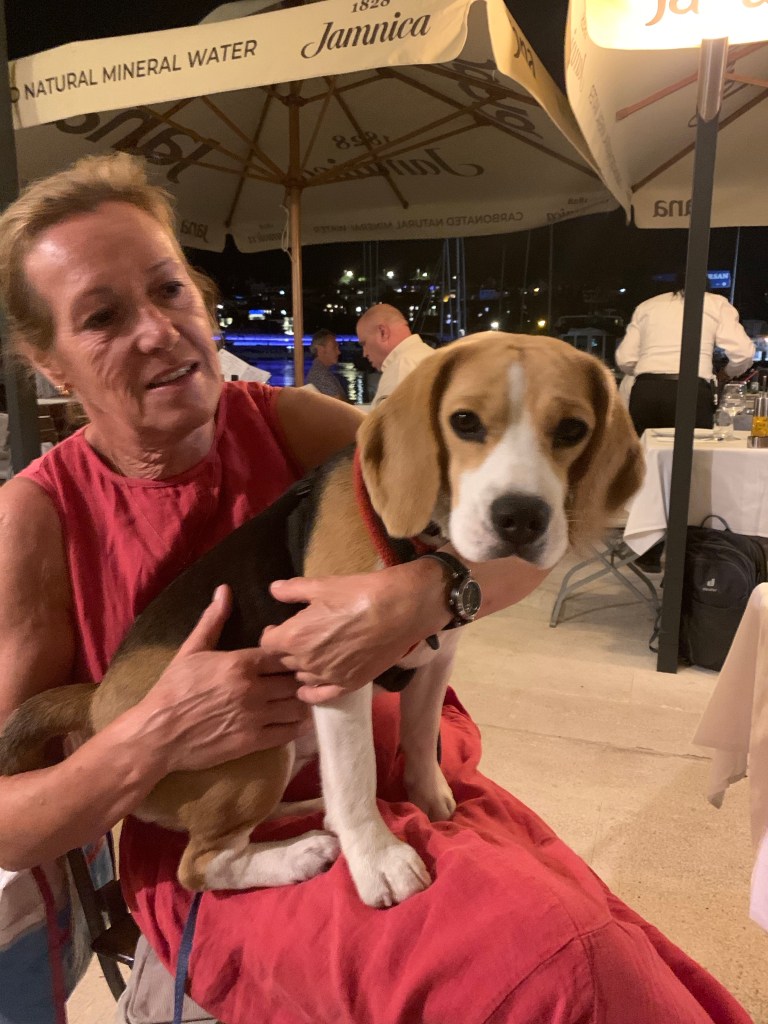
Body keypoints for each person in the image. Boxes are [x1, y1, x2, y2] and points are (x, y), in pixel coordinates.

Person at [0, 154, 752, 1024]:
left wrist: (427, 592)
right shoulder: (35, 516)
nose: (158, 331)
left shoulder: (293, 419)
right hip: (237, 810)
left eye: (170, 290)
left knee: (607, 954)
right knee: (554, 976)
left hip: (406, 770)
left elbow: (499, 533)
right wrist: (159, 729)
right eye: (101, 316)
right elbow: (12, 822)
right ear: (48, 363)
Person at [615, 273, 755, 438]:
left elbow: (625, 358)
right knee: (693, 451)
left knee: (644, 450)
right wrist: (726, 374)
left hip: (646, 392)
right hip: (691, 390)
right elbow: (743, 353)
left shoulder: (647, 306)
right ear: (707, 287)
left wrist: (648, 372)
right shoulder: (716, 303)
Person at [356, 302, 435, 407]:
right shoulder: (430, 356)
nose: (364, 353)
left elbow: (386, 417)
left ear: (383, 332)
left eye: (364, 344)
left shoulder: (400, 367)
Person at [305, 329, 348, 401]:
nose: (339, 352)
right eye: (334, 347)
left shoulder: (321, 372)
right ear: (320, 349)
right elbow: (338, 403)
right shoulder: (320, 375)